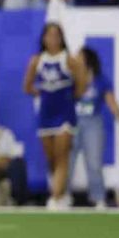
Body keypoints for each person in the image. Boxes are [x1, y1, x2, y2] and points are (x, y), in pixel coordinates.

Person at [23, 23, 86, 210]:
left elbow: (81, 84)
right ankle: (62, 192)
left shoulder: (69, 59)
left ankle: (55, 196)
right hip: (46, 113)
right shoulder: (37, 61)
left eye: (56, 35)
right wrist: (43, 93)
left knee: (62, 155)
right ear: (43, 39)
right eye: (49, 35)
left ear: (62, 38)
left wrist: (70, 97)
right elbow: (27, 87)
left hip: (65, 112)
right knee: (50, 158)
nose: (53, 39)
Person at [73, 47, 119, 209]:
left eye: (79, 56)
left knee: (94, 161)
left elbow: (112, 103)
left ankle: (98, 197)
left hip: (92, 123)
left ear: (88, 59)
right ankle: (61, 194)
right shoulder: (71, 78)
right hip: (71, 122)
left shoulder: (101, 80)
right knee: (66, 161)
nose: (76, 59)